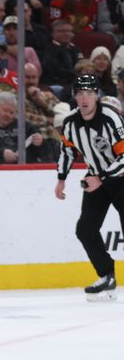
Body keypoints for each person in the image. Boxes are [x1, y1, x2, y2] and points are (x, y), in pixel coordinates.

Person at [55, 74, 124, 300]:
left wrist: (102, 177)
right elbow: (67, 151)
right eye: (80, 93)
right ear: (75, 96)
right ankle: (107, 276)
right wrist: (61, 178)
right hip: (97, 179)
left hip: (120, 178)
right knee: (85, 229)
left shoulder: (111, 118)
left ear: (97, 96)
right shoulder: (70, 123)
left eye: (90, 94)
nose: (84, 98)